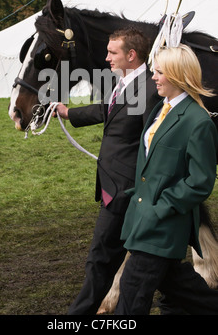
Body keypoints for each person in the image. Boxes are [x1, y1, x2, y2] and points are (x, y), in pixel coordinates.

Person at [54, 26, 160, 314]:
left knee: (101, 258)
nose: (107, 58)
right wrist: (68, 112)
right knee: (155, 267)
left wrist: (140, 193)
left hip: (125, 190)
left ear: (132, 55)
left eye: (113, 53)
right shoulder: (126, 82)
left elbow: (151, 146)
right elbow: (109, 110)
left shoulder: (150, 90)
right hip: (113, 184)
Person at [115, 44, 218, 315]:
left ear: (177, 75)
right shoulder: (161, 108)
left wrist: (161, 207)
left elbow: (201, 181)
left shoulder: (198, 122)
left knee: (131, 291)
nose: (153, 77)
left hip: (163, 225)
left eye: (159, 72)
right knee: (183, 292)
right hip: (143, 219)